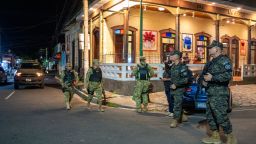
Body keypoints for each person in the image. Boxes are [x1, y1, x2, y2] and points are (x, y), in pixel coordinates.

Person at [200, 40, 237, 144]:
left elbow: (228, 76)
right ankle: (215, 137)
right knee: (210, 115)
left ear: (217, 49)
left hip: (220, 93)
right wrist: (205, 81)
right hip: (211, 92)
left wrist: (213, 77)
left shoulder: (224, 61)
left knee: (221, 115)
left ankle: (231, 137)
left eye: (210, 48)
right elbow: (207, 75)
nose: (209, 49)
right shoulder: (212, 61)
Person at [169, 50, 189, 128]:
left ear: (177, 56)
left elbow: (185, 79)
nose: (170, 56)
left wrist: (176, 84)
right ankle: (183, 116)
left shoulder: (182, 67)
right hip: (173, 89)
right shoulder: (173, 66)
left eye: (172, 55)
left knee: (177, 105)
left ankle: (175, 120)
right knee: (177, 103)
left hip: (179, 89)